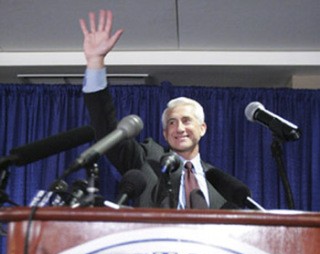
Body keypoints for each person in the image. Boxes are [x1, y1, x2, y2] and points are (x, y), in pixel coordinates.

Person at [79, 10, 240, 209]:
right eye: (172, 123)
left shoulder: (220, 183)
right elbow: (107, 131)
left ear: (203, 128)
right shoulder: (146, 160)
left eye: (187, 120)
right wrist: (95, 63)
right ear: (165, 134)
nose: (179, 128)